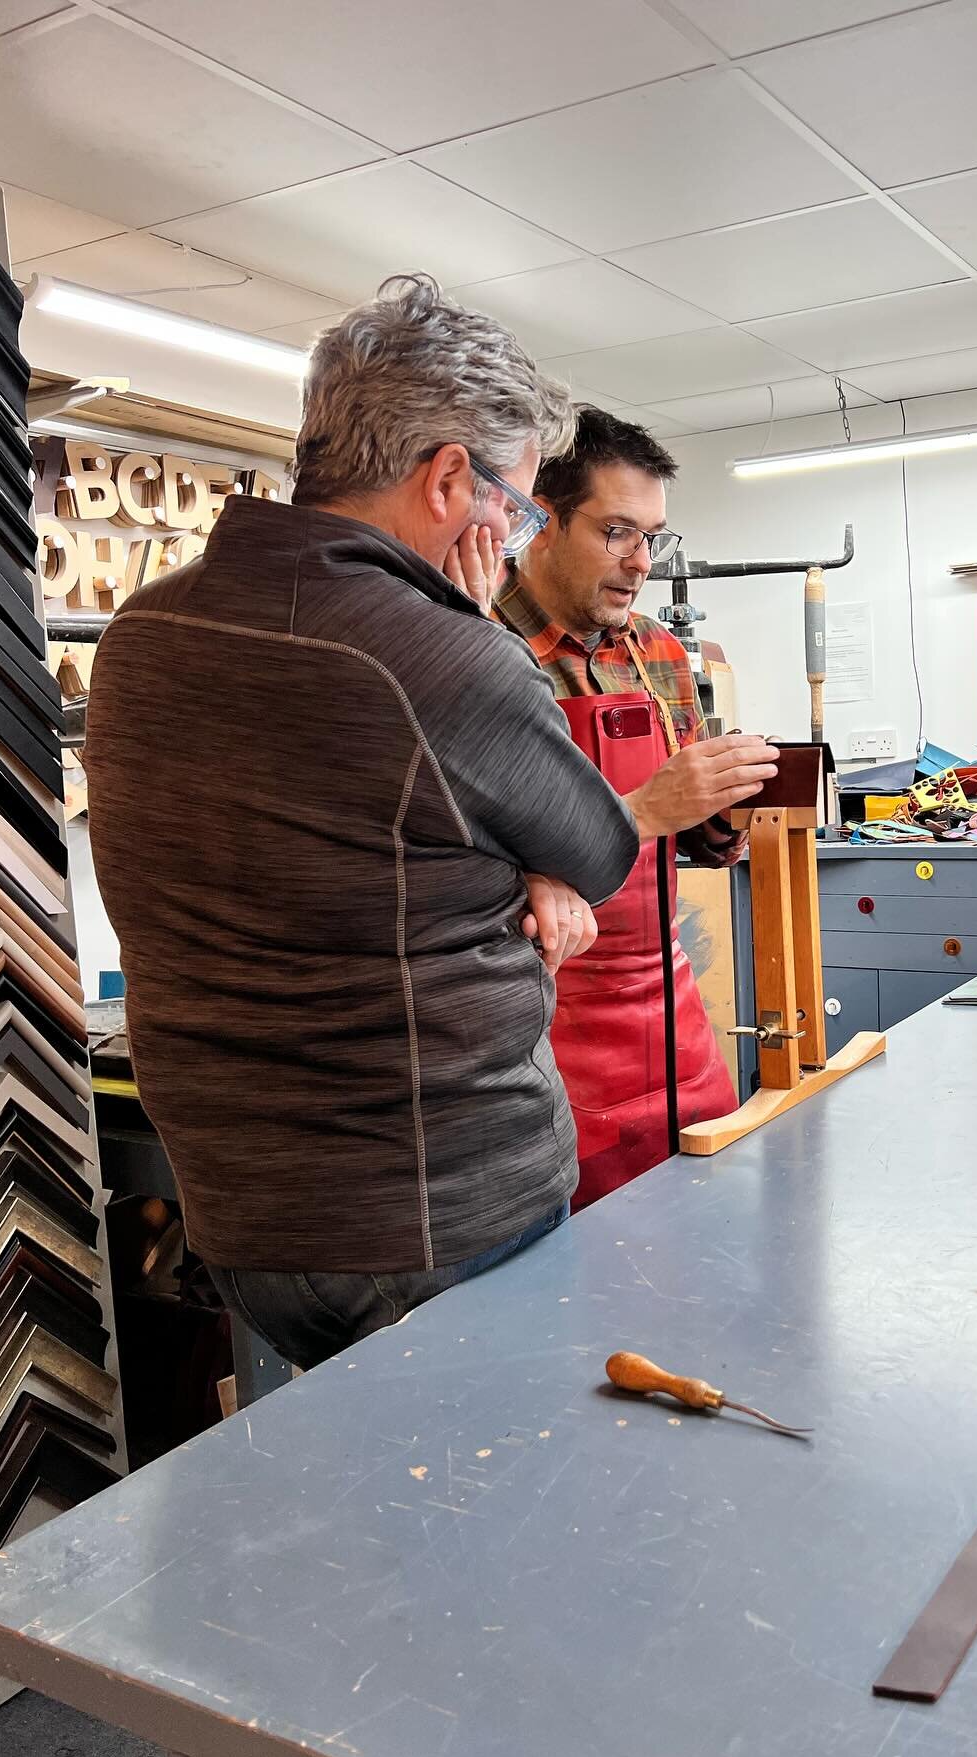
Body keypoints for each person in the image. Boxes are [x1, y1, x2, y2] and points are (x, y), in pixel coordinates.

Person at [84, 276, 642, 1369]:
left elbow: (342, 825)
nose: (515, 535)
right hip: (436, 1216)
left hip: (248, 1217)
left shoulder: (142, 635)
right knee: (491, 1513)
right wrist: (475, 636)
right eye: (519, 508)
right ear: (447, 479)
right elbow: (598, 852)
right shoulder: (442, 657)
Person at [488, 406, 779, 1208]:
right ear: (540, 521)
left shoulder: (658, 653)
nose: (642, 561)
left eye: (654, 536)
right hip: (546, 1025)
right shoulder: (478, 649)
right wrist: (646, 805)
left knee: (711, 1228)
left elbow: (698, 846)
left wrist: (734, 805)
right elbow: (466, 867)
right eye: (617, 532)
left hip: (672, 1014)